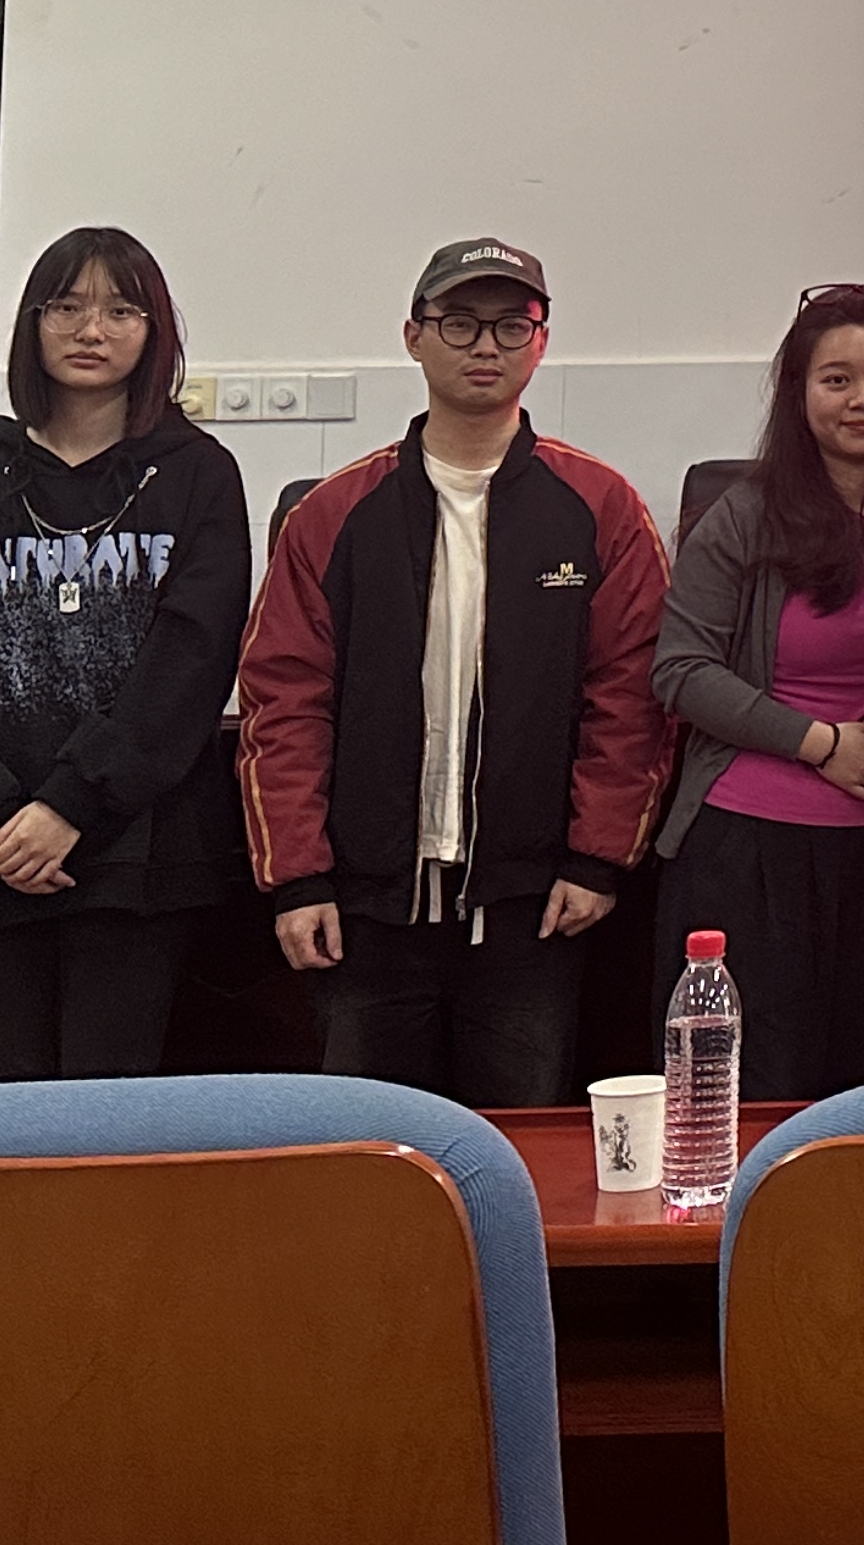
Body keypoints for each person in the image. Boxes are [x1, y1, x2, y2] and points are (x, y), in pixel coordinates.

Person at [238, 239, 670, 1103]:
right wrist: (299, 877)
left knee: (517, 1150)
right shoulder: (333, 513)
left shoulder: (601, 508)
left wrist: (596, 859)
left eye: (512, 326)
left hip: (535, 908)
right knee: (369, 1152)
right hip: (362, 909)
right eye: (460, 323)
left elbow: (629, 698)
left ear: (541, 342)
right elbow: (283, 700)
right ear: (413, 336)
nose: (485, 346)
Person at [0, 229, 252, 1080]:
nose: (92, 329)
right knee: (1, 1122)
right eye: (67, 306)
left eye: (121, 310)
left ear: (154, 332)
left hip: (135, 858)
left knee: (109, 1124)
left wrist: (68, 807)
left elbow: (191, 663)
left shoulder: (199, 475)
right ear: (33, 323)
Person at [649, 284, 864, 1100]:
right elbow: (680, 670)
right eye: (837, 380)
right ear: (799, 392)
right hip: (750, 850)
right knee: (750, 1095)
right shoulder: (743, 514)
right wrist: (821, 744)